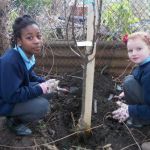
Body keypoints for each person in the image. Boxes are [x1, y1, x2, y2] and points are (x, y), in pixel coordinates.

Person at [0, 15, 59, 136]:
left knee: (50, 91)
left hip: (13, 92)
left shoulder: (27, 55)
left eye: (38, 36)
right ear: (19, 41)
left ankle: (25, 108)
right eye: (29, 37)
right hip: (4, 101)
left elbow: (29, 74)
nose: (37, 41)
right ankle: (13, 121)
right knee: (42, 106)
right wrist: (40, 88)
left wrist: (44, 82)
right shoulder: (10, 62)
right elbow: (11, 96)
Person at [112, 31, 150, 128]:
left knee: (129, 82)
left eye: (139, 49)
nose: (134, 53)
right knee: (129, 80)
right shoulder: (144, 65)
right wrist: (126, 93)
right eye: (130, 50)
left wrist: (130, 110)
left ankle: (142, 121)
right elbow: (138, 78)